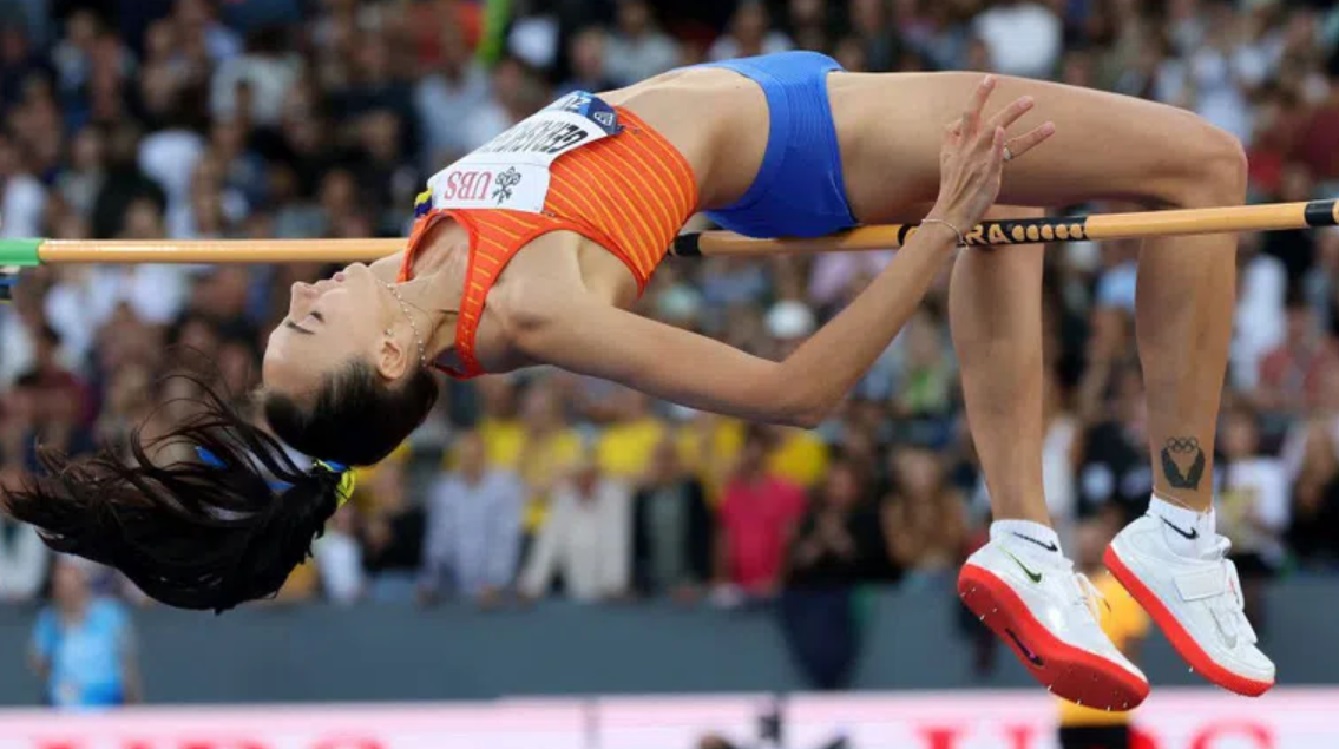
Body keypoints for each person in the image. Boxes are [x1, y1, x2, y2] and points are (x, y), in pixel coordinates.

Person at [2, 51, 1269, 707]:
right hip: (800, 146)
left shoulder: (409, 267)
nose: (296, 293)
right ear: (388, 356)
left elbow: (315, 424)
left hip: (776, 108)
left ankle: (1027, 536)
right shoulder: (531, 305)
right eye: (307, 327)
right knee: (1202, 168)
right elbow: (793, 393)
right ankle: (1178, 530)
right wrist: (929, 235)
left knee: (1015, 202)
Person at [1055, 516, 1149, 749]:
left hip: (1113, 711)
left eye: (1093, 540)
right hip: (1072, 711)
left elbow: (1131, 648)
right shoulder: (1064, 589)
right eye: (1083, 540)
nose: (1087, 546)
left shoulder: (1123, 591)